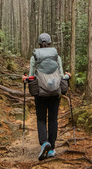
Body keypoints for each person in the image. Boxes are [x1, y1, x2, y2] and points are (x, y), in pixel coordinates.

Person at [23, 33, 71, 161]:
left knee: (41, 119)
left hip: (41, 93)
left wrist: (25, 79)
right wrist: (68, 76)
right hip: (56, 92)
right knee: (53, 119)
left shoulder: (35, 57)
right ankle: (52, 149)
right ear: (50, 43)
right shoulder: (57, 56)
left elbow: (31, 76)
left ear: (39, 43)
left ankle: (44, 143)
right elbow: (61, 75)